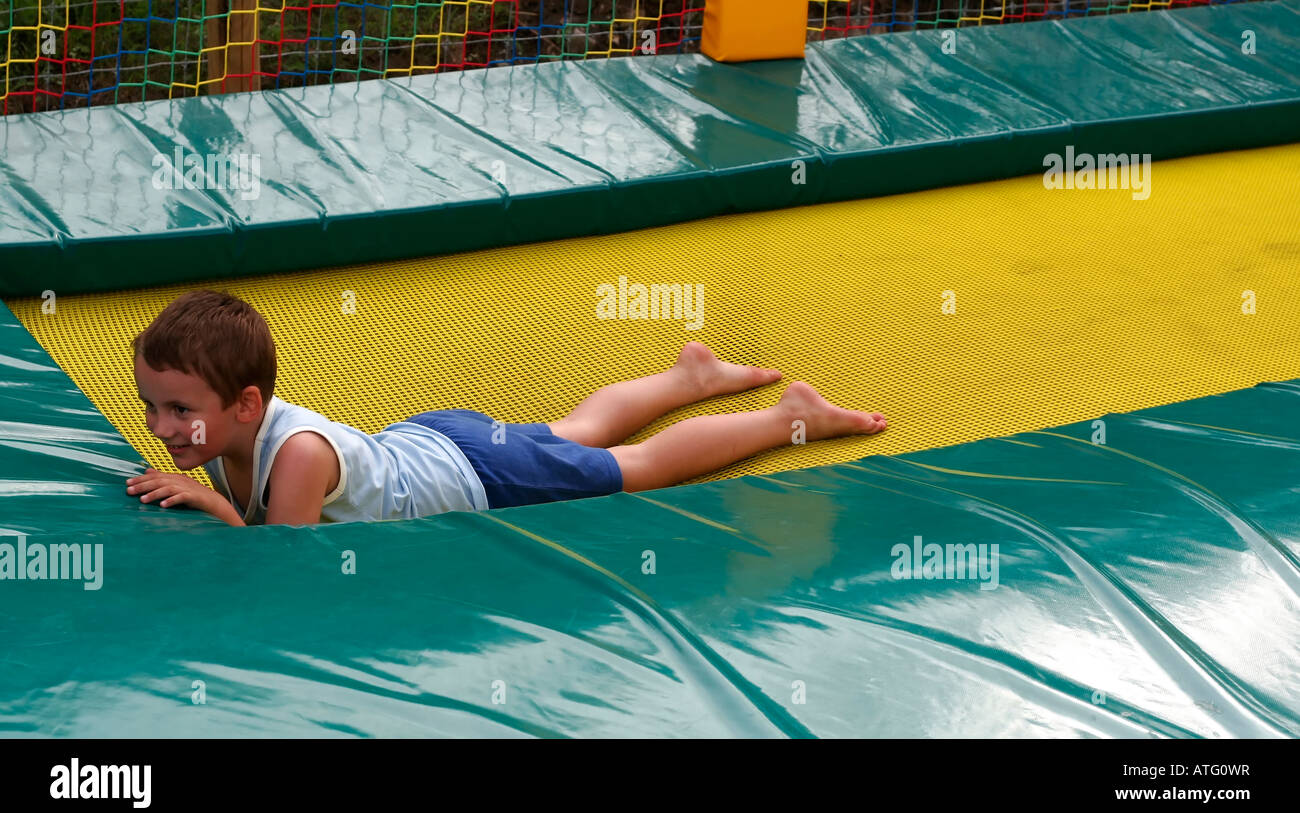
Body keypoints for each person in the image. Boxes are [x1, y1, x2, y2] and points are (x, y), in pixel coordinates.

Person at [127, 290, 887, 525]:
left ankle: (791, 416)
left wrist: (211, 504)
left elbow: (287, 565)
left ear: (246, 403)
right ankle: (685, 379)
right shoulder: (234, 435)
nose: (161, 429)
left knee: (631, 465)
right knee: (574, 432)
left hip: (475, 474)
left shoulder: (293, 456)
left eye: (177, 410)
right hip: (430, 442)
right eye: (151, 406)